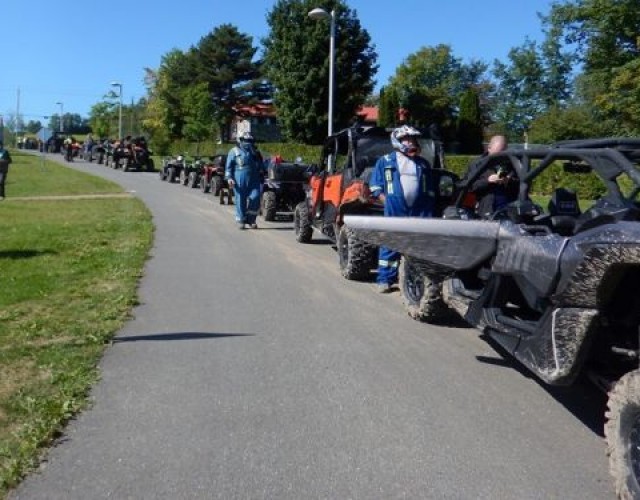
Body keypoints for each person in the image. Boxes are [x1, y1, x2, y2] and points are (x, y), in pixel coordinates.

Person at [369, 125, 436, 293]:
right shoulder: (384, 161)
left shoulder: (423, 163)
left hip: (420, 209)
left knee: (420, 244)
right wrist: (387, 200)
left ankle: (418, 279)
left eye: (413, 139)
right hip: (395, 209)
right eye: (407, 139)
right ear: (397, 141)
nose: (411, 142)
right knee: (391, 243)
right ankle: (385, 279)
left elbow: (430, 187)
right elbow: (375, 186)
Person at [467, 135, 518, 218]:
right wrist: (487, 181)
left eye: (502, 153)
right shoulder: (477, 164)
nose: (498, 158)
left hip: (510, 211)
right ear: (489, 148)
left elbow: (524, 185)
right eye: (496, 154)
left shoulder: (513, 164)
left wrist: (509, 180)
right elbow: (468, 187)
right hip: (487, 211)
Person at [225, 132, 265, 230]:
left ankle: (251, 220)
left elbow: (261, 167)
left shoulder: (256, 153)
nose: (248, 143)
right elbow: (228, 167)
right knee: (240, 200)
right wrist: (229, 178)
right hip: (239, 179)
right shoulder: (233, 151)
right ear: (241, 140)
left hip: (254, 179)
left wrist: (263, 175)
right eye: (246, 141)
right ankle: (241, 220)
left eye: (250, 141)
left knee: (255, 197)